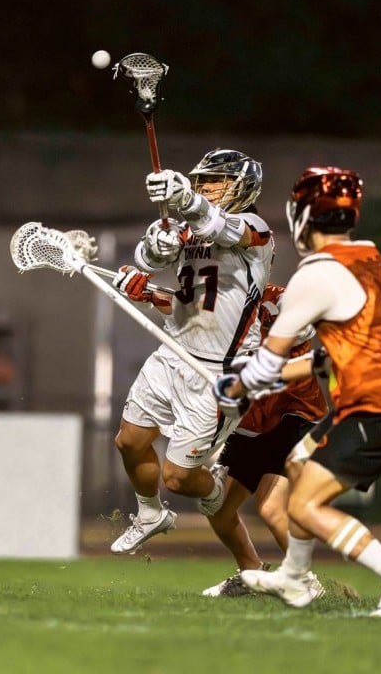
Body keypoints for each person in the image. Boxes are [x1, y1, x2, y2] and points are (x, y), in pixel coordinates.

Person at [214, 167, 381, 616]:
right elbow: (326, 358)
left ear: (302, 215)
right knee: (297, 464)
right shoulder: (369, 258)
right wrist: (266, 376)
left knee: (306, 504)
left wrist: (235, 384)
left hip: (379, 405)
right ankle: (294, 579)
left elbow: (265, 365)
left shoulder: (315, 275)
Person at [108, 149, 274, 554]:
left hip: (221, 371)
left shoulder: (254, 228)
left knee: (179, 479)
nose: (206, 187)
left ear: (243, 185)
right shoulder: (190, 227)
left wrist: (187, 201)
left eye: (215, 180)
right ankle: (150, 513)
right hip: (173, 350)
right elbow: (149, 259)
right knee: (129, 441)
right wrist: (148, 262)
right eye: (202, 181)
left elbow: (223, 229)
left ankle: (216, 488)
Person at [201, 282, 329, 597]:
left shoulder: (279, 302)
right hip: (252, 424)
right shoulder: (228, 306)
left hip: (293, 419)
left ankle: (304, 580)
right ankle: (251, 574)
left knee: (272, 508)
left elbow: (293, 359)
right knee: (219, 511)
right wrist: (148, 293)